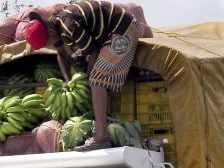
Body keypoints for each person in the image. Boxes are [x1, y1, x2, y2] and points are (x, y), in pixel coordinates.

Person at [24, 1, 152, 151]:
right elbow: (60, 53)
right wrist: (68, 81)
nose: (49, 46)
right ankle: (102, 122)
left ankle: (101, 137)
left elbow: (94, 52)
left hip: (125, 29)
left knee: (96, 81)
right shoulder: (55, 24)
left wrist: (87, 77)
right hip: (108, 35)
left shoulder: (69, 25)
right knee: (88, 72)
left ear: (50, 32)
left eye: (47, 43)